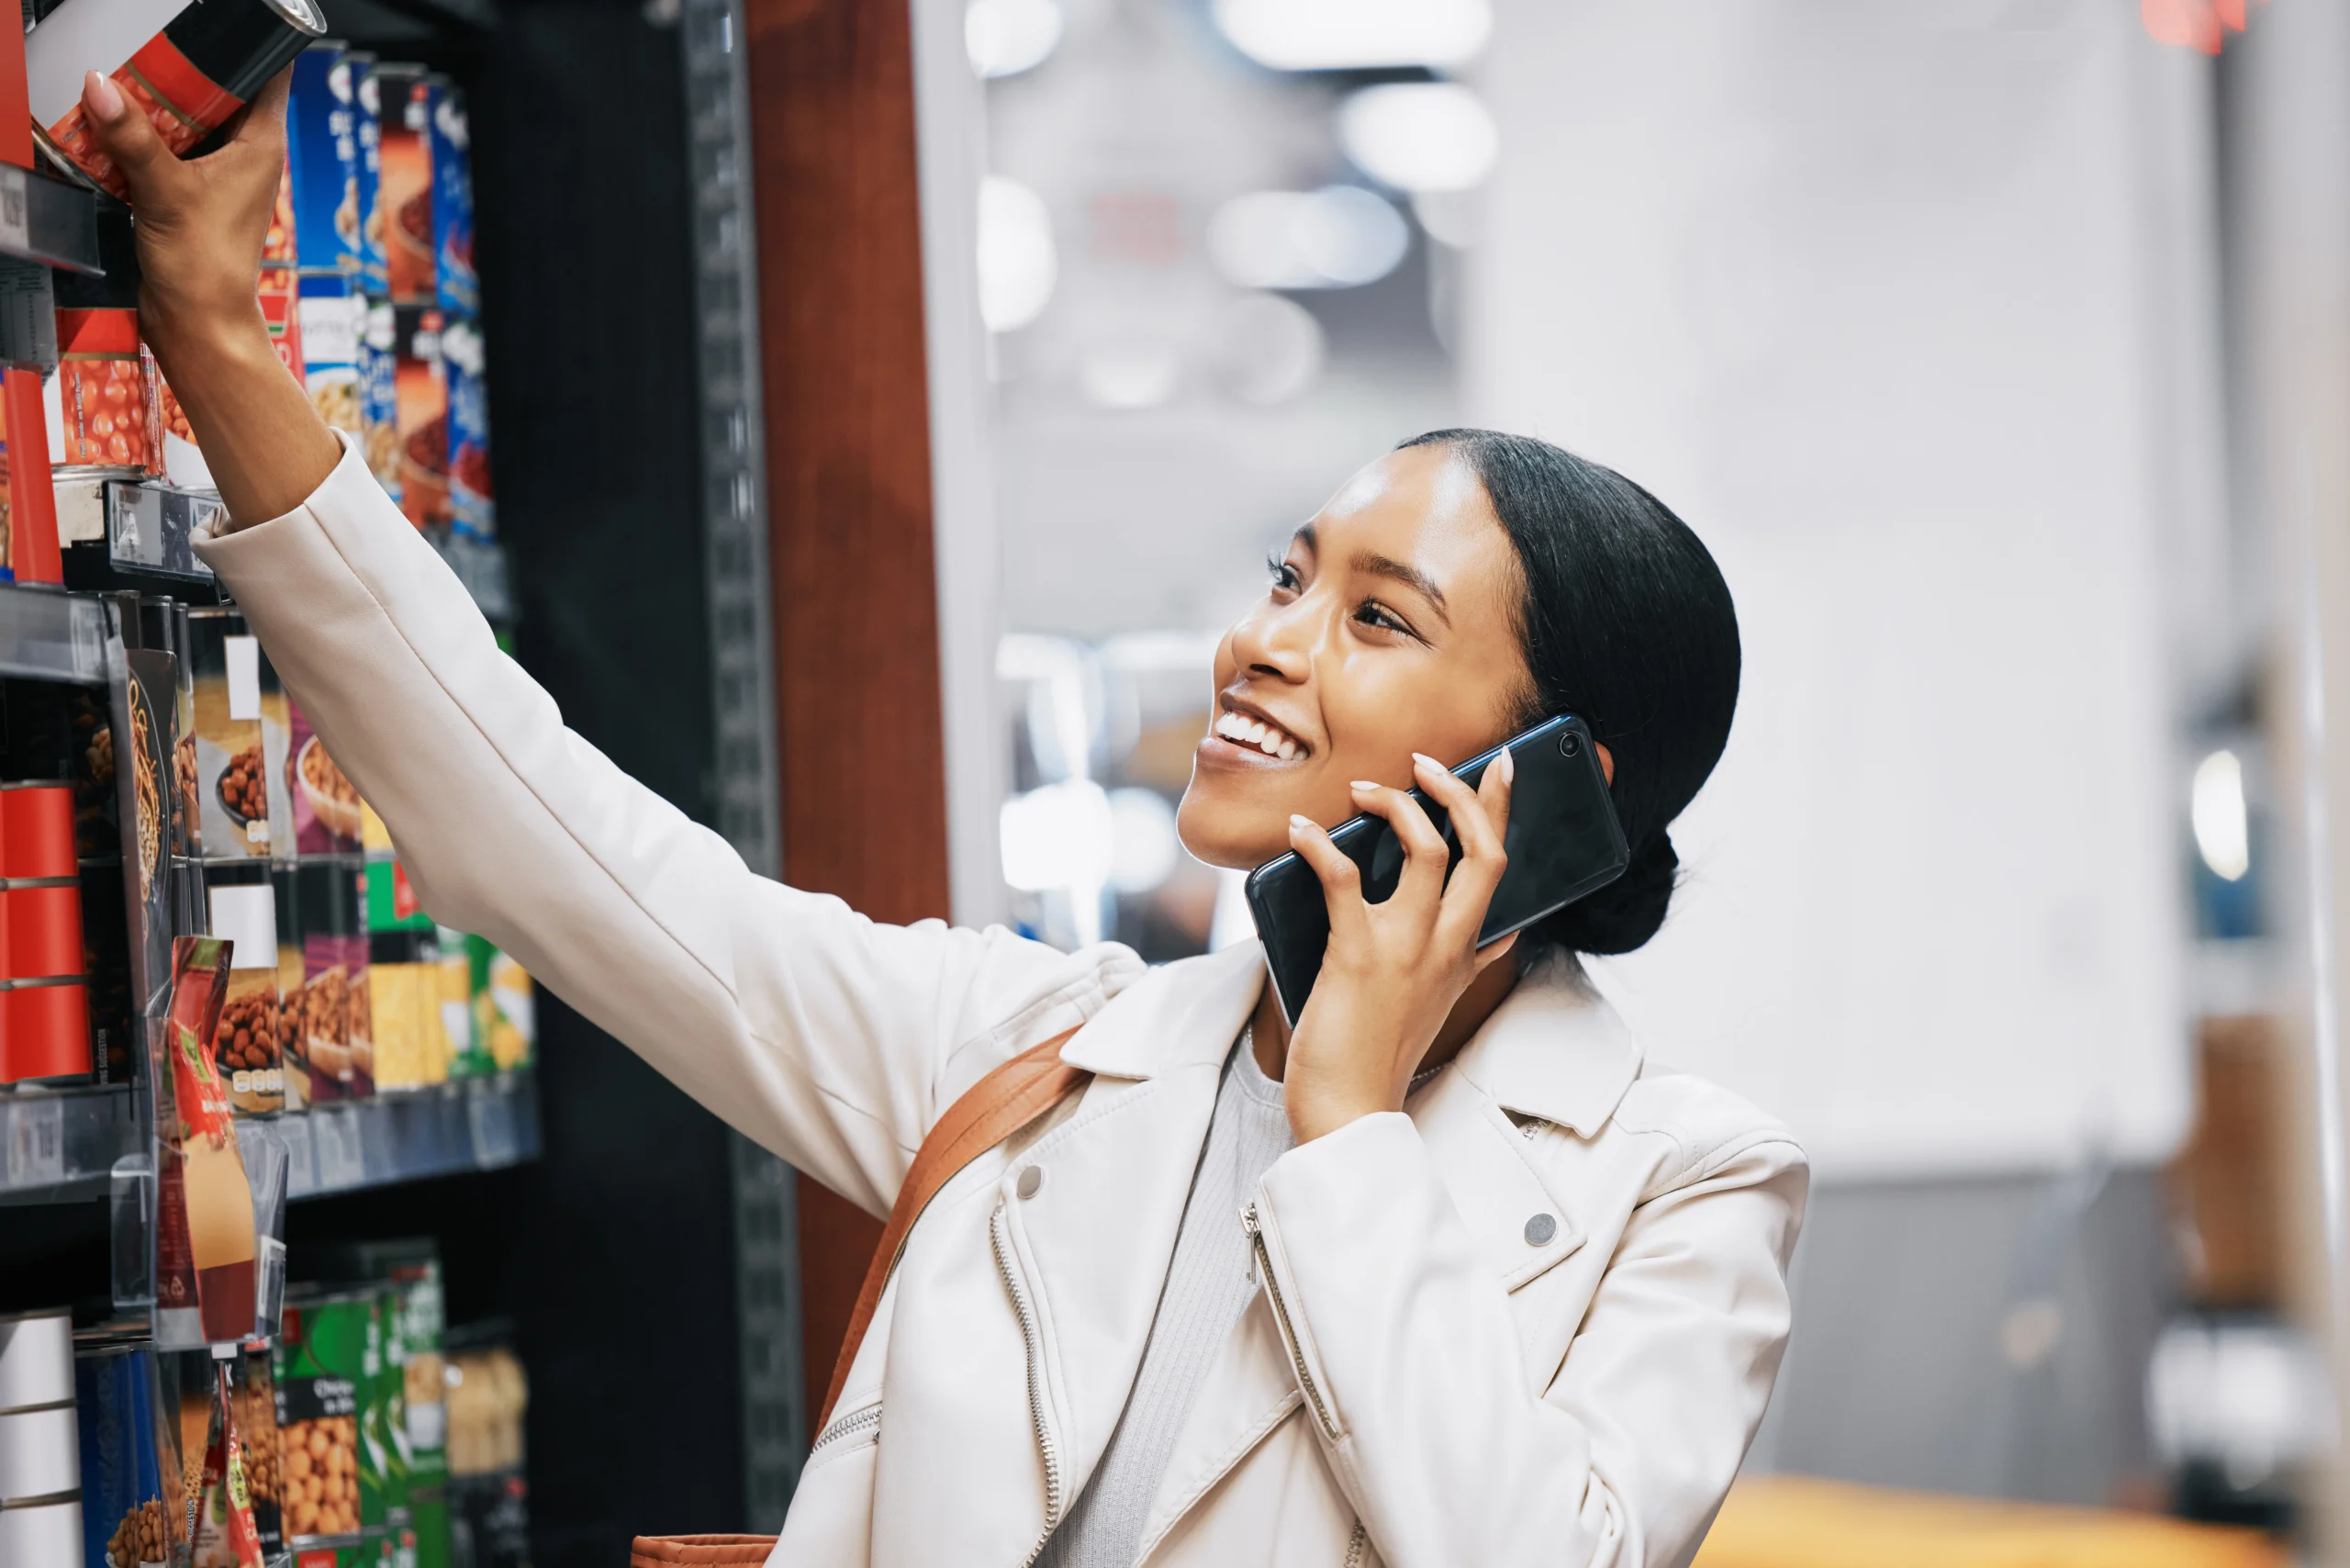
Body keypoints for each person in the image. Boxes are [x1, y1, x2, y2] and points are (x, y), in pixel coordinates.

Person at [82, 65, 1805, 1568]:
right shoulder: (1042, 1059)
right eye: (1288, 574)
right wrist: (219, 333)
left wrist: (1347, 1118)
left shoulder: (1686, 1191)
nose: (1260, 641)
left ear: (1555, 782)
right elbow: (549, 837)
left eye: (1376, 617)